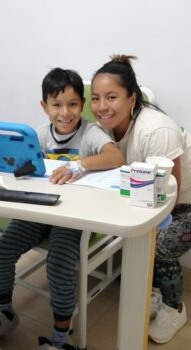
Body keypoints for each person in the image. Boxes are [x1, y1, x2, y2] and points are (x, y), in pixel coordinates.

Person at [0, 67, 124, 350]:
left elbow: (116, 156)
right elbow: (21, 168)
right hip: (39, 210)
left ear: (83, 105)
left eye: (73, 104)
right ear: (44, 107)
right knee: (1, 251)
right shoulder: (37, 136)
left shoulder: (91, 133)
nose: (65, 113)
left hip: (72, 216)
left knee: (59, 264)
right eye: (56, 105)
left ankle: (60, 339)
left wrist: (79, 165)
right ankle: (4, 311)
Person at [88, 54, 191, 344]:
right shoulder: (105, 128)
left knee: (156, 245)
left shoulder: (156, 130)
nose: (101, 107)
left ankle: (175, 308)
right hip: (151, 198)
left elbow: (169, 198)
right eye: (95, 98)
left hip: (181, 203)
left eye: (111, 97)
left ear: (132, 98)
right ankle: (154, 290)